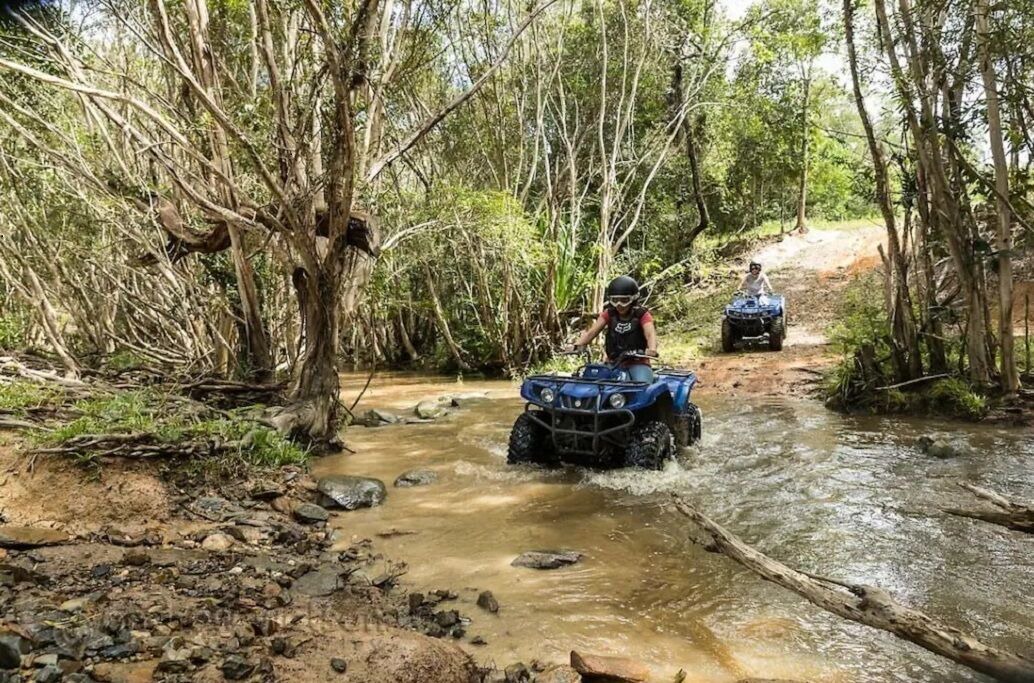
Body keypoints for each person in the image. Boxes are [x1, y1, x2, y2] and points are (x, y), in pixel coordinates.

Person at [568, 275, 658, 382]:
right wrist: (576, 346)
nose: (619, 305)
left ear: (633, 299)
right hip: (612, 363)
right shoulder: (609, 314)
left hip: (638, 362)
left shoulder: (641, 314)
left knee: (643, 387)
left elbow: (650, 334)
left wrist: (652, 349)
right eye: (615, 300)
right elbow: (592, 332)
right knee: (592, 381)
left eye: (624, 300)